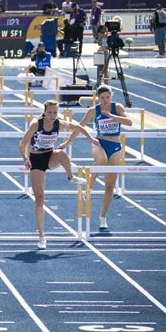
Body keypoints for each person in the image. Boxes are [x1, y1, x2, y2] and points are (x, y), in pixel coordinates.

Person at [19, 100, 99, 249]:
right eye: (49, 112)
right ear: (44, 112)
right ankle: (42, 237)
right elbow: (22, 144)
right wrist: (25, 159)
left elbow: (78, 127)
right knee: (40, 198)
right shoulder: (36, 124)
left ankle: (71, 177)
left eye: (55, 112)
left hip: (50, 156)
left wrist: (91, 139)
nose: (52, 115)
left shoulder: (58, 123)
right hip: (36, 160)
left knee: (62, 154)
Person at [66, 86, 132, 231]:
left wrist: (113, 117)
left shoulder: (117, 107)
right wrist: (68, 141)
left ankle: (103, 217)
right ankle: (89, 186)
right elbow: (79, 127)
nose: (105, 100)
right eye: (102, 98)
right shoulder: (93, 111)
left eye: (107, 97)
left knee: (109, 186)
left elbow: (129, 122)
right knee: (101, 160)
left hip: (115, 146)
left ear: (111, 96)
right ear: (97, 98)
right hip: (99, 143)